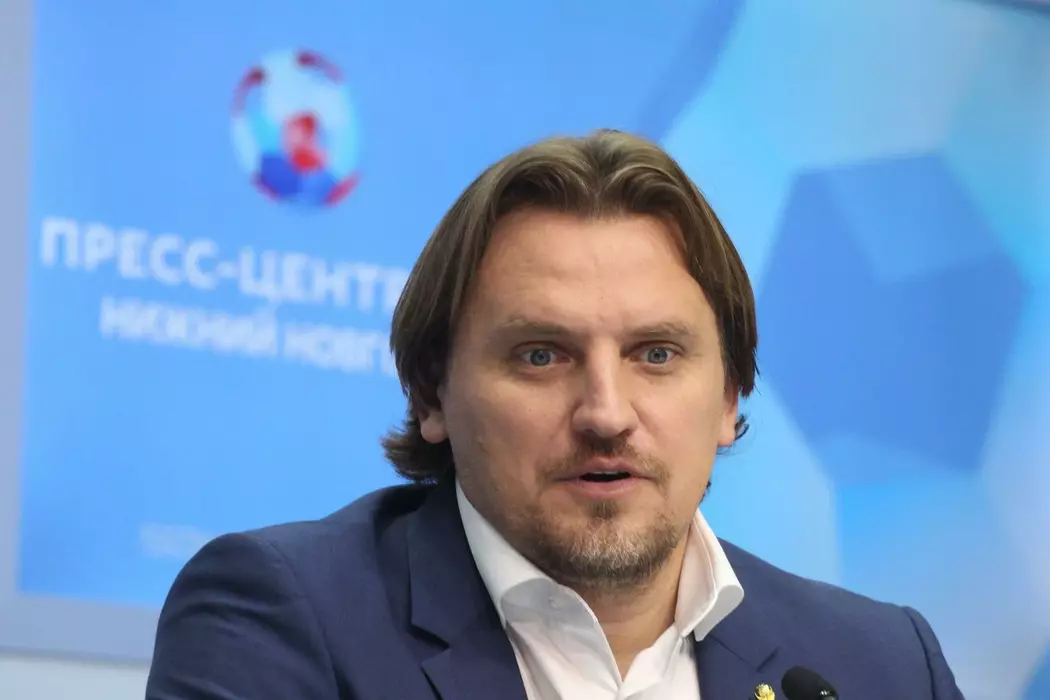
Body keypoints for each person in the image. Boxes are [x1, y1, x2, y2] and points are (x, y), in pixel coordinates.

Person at [144, 130, 964, 700]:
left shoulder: (883, 666)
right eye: (541, 356)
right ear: (432, 394)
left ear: (729, 397)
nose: (606, 413)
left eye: (656, 354)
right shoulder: (283, 619)